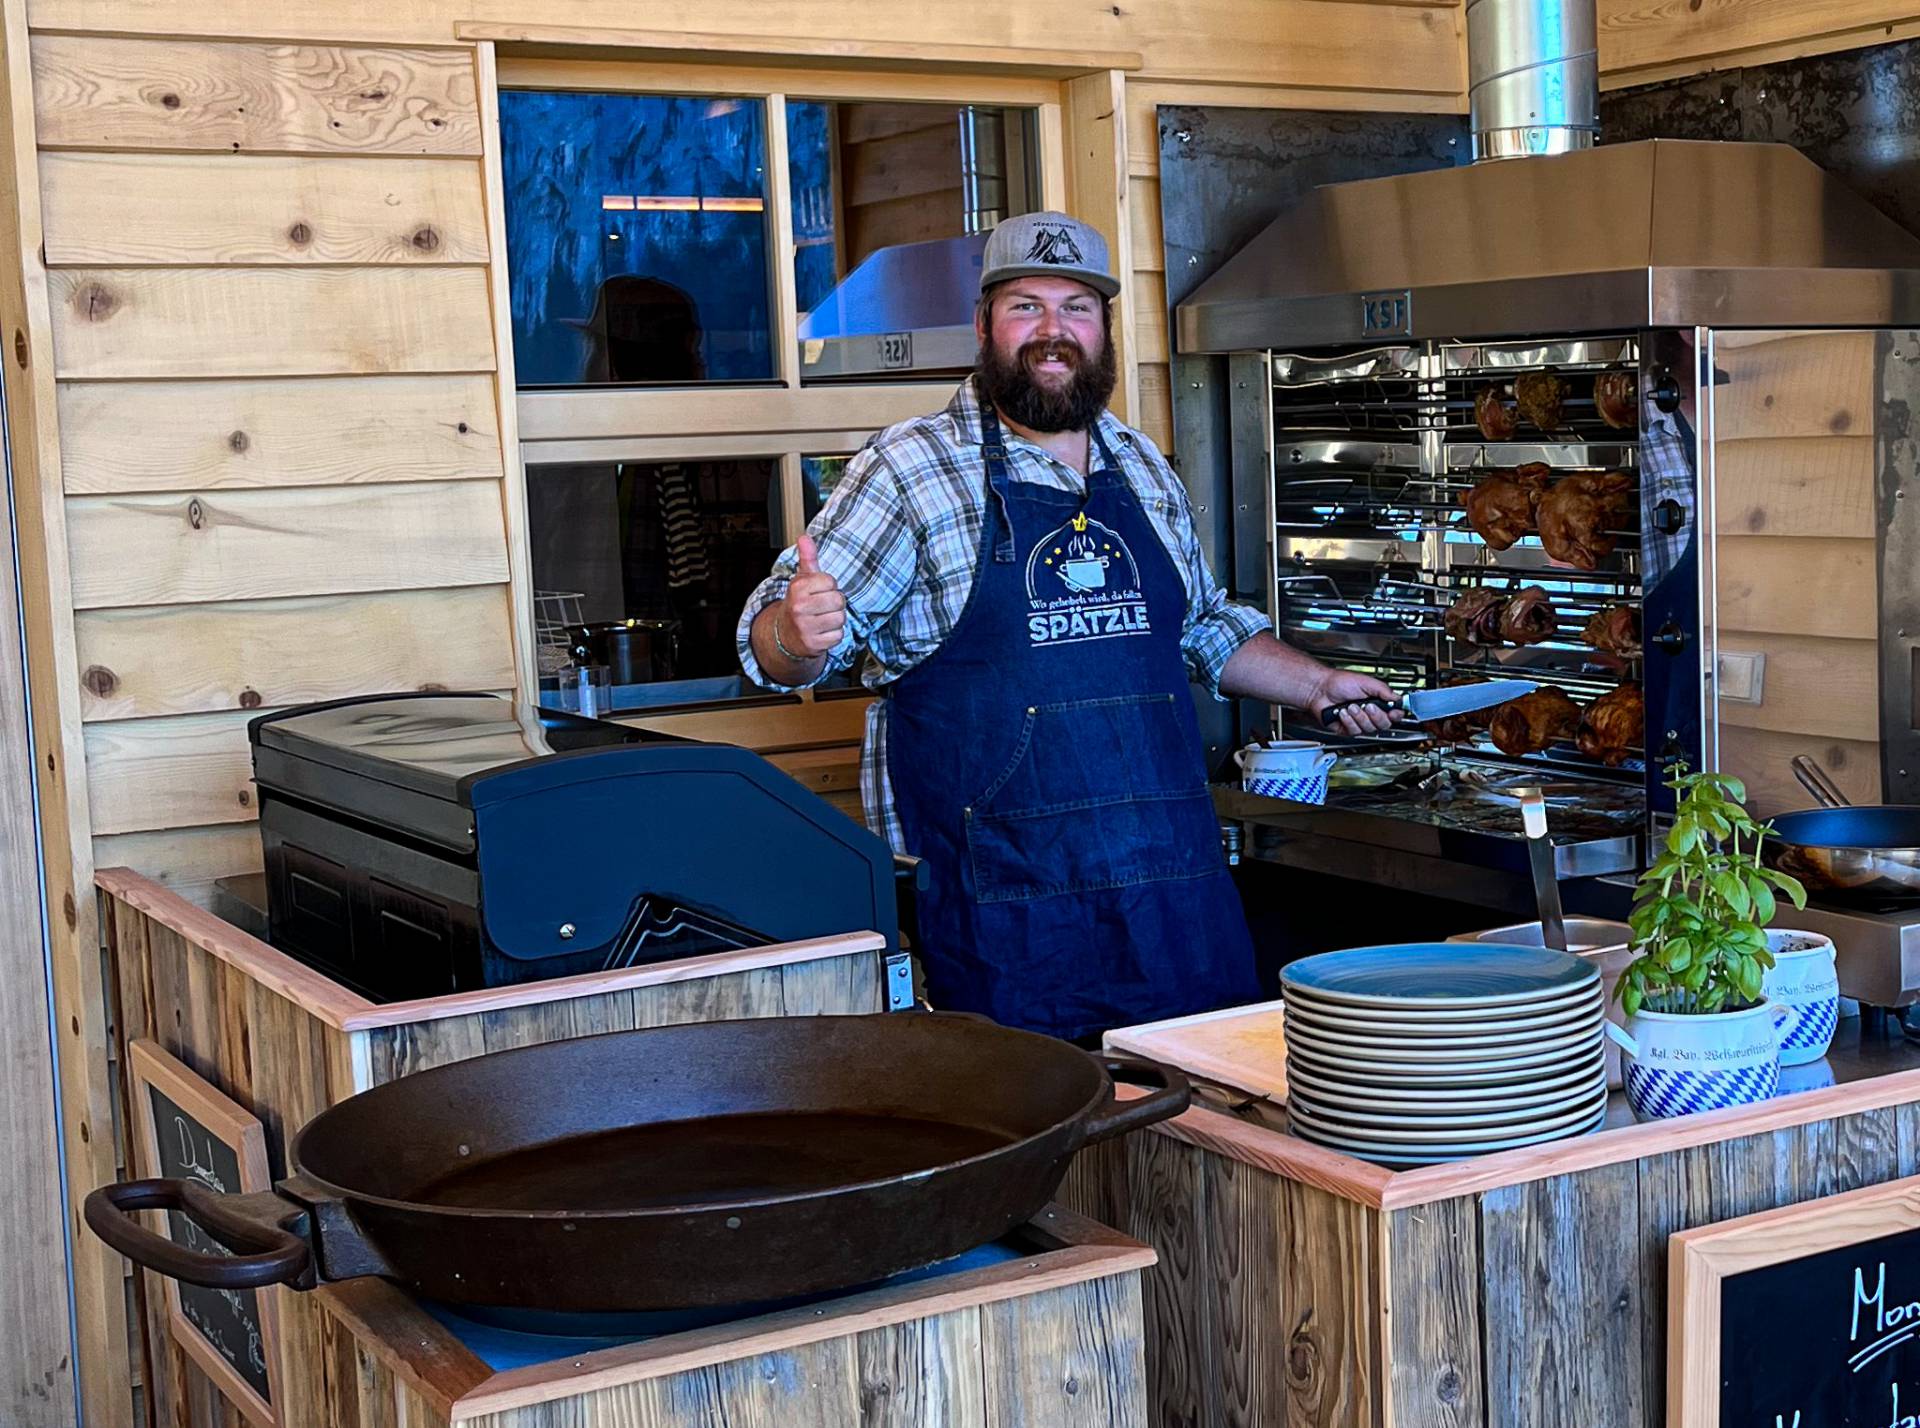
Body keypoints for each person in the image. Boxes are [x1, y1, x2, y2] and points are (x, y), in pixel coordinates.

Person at [737, 211, 1399, 1044]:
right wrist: (797, 634)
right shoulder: (909, 469)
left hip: (1171, 892)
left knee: (1202, 1142)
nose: (1053, 333)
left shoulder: (1141, 462)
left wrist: (1320, 686)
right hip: (1008, 912)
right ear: (983, 326)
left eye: (1076, 308)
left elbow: (1202, 628)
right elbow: (767, 652)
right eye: (1026, 307)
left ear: (1104, 328)